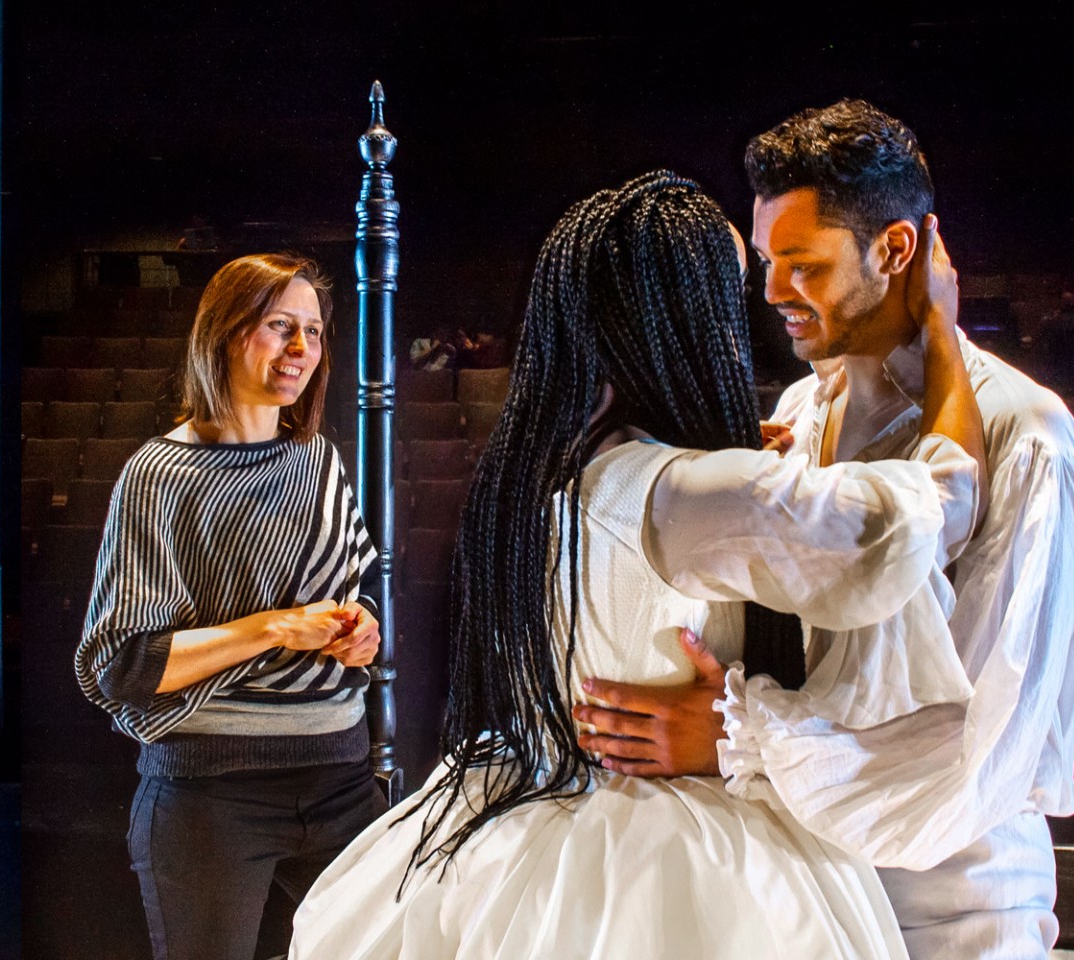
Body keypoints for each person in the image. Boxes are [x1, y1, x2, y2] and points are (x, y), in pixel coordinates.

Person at [288, 171, 986, 959]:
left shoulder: (544, 466)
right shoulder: (687, 492)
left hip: (533, 811)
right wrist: (943, 335)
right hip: (680, 841)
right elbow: (929, 516)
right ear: (679, 318)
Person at [580, 100, 1074, 959]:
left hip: (951, 904)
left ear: (896, 251)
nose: (772, 289)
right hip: (798, 888)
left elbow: (987, 749)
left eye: (803, 264)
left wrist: (741, 741)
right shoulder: (796, 411)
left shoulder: (1022, 431)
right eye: (767, 261)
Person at [74, 253, 388, 960]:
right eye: (281, 327)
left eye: (312, 331)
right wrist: (271, 628)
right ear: (223, 333)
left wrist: (357, 628)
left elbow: (348, 587)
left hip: (341, 777)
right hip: (213, 793)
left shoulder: (318, 460)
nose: (302, 350)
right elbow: (124, 666)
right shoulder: (158, 476)